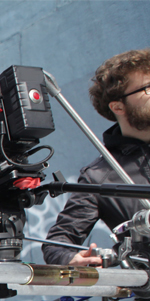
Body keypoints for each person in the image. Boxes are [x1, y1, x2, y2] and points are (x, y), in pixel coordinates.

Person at [43, 49, 150, 266]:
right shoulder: (100, 176)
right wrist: (71, 258)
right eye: (147, 88)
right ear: (118, 106)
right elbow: (57, 244)